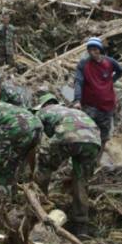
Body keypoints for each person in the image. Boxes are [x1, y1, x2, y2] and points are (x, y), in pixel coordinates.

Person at [32, 94, 100, 236]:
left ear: (42, 105)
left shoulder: (41, 112)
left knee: (43, 167)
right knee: (82, 181)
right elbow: (79, 140)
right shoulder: (74, 112)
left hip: (66, 136)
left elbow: (39, 141)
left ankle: (38, 207)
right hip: (93, 140)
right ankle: (80, 224)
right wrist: (72, 175)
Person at [73, 37, 122, 161]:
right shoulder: (83, 64)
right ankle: (84, 160)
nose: (92, 53)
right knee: (85, 132)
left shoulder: (109, 63)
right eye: (89, 50)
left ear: (100, 50)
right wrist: (77, 100)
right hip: (89, 105)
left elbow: (120, 70)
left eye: (95, 49)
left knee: (104, 135)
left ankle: (97, 160)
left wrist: (111, 81)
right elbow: (78, 81)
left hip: (107, 105)